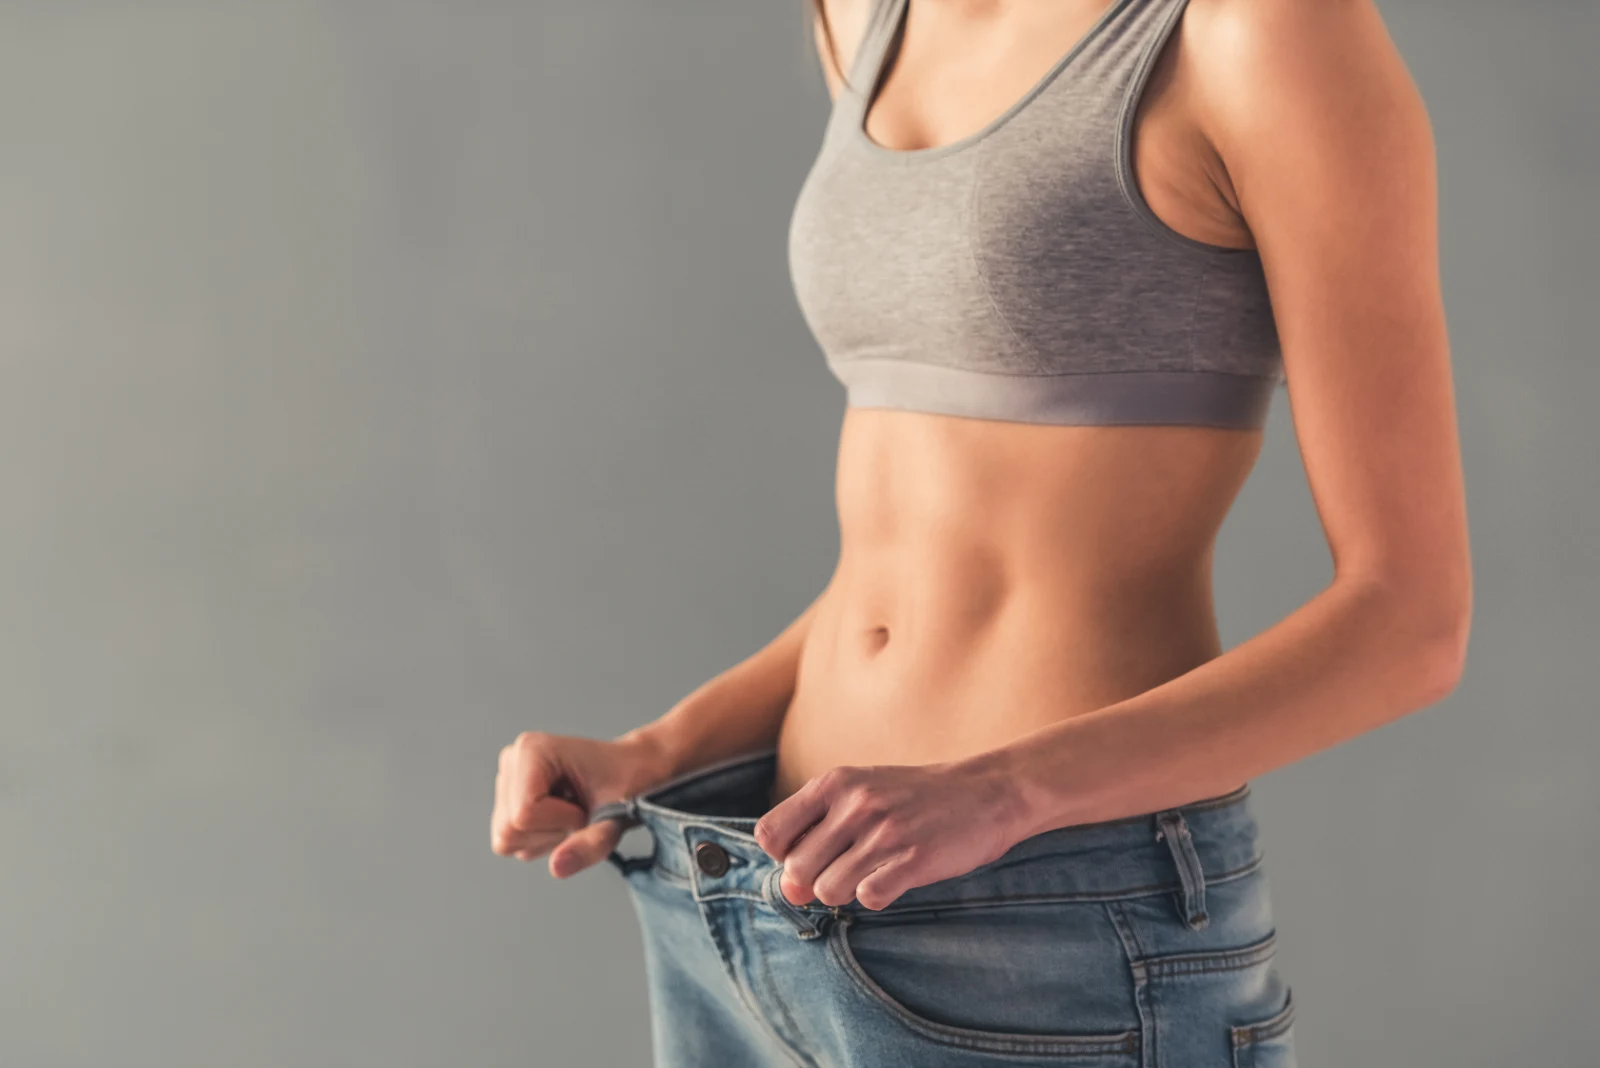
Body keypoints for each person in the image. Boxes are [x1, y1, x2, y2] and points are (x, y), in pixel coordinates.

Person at [491, 0, 1471, 1063]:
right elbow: (926, 569)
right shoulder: (859, 15)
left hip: (1049, 930)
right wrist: (657, 751)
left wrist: (1003, 792)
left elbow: (1409, 620)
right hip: (756, 897)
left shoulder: (1260, 29)